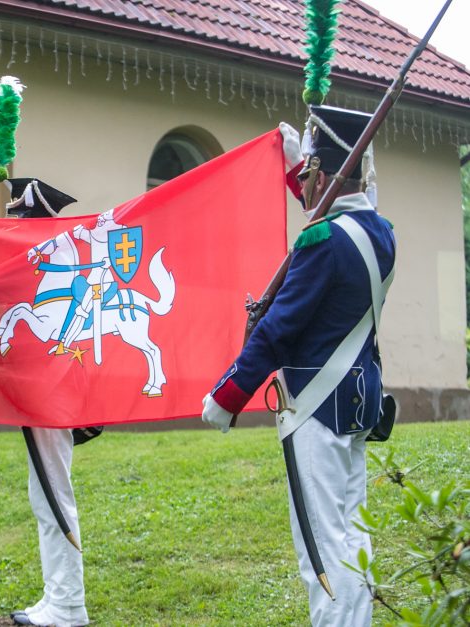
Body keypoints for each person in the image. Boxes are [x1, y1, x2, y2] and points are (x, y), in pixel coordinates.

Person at [201, 105, 396, 626]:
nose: (303, 184)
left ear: (326, 175)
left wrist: (226, 396)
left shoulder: (322, 243)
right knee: (350, 532)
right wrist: (297, 162)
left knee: (321, 548)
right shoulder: (380, 232)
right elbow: (338, 205)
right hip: (355, 403)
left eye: (309, 174)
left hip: (315, 407)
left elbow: (277, 330)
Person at [1, 178, 91, 627]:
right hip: (42, 391)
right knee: (46, 494)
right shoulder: (39, 273)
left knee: (53, 494)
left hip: (52, 392)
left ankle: (69, 606)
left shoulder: (58, 271)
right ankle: (58, 595)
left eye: (19, 223)